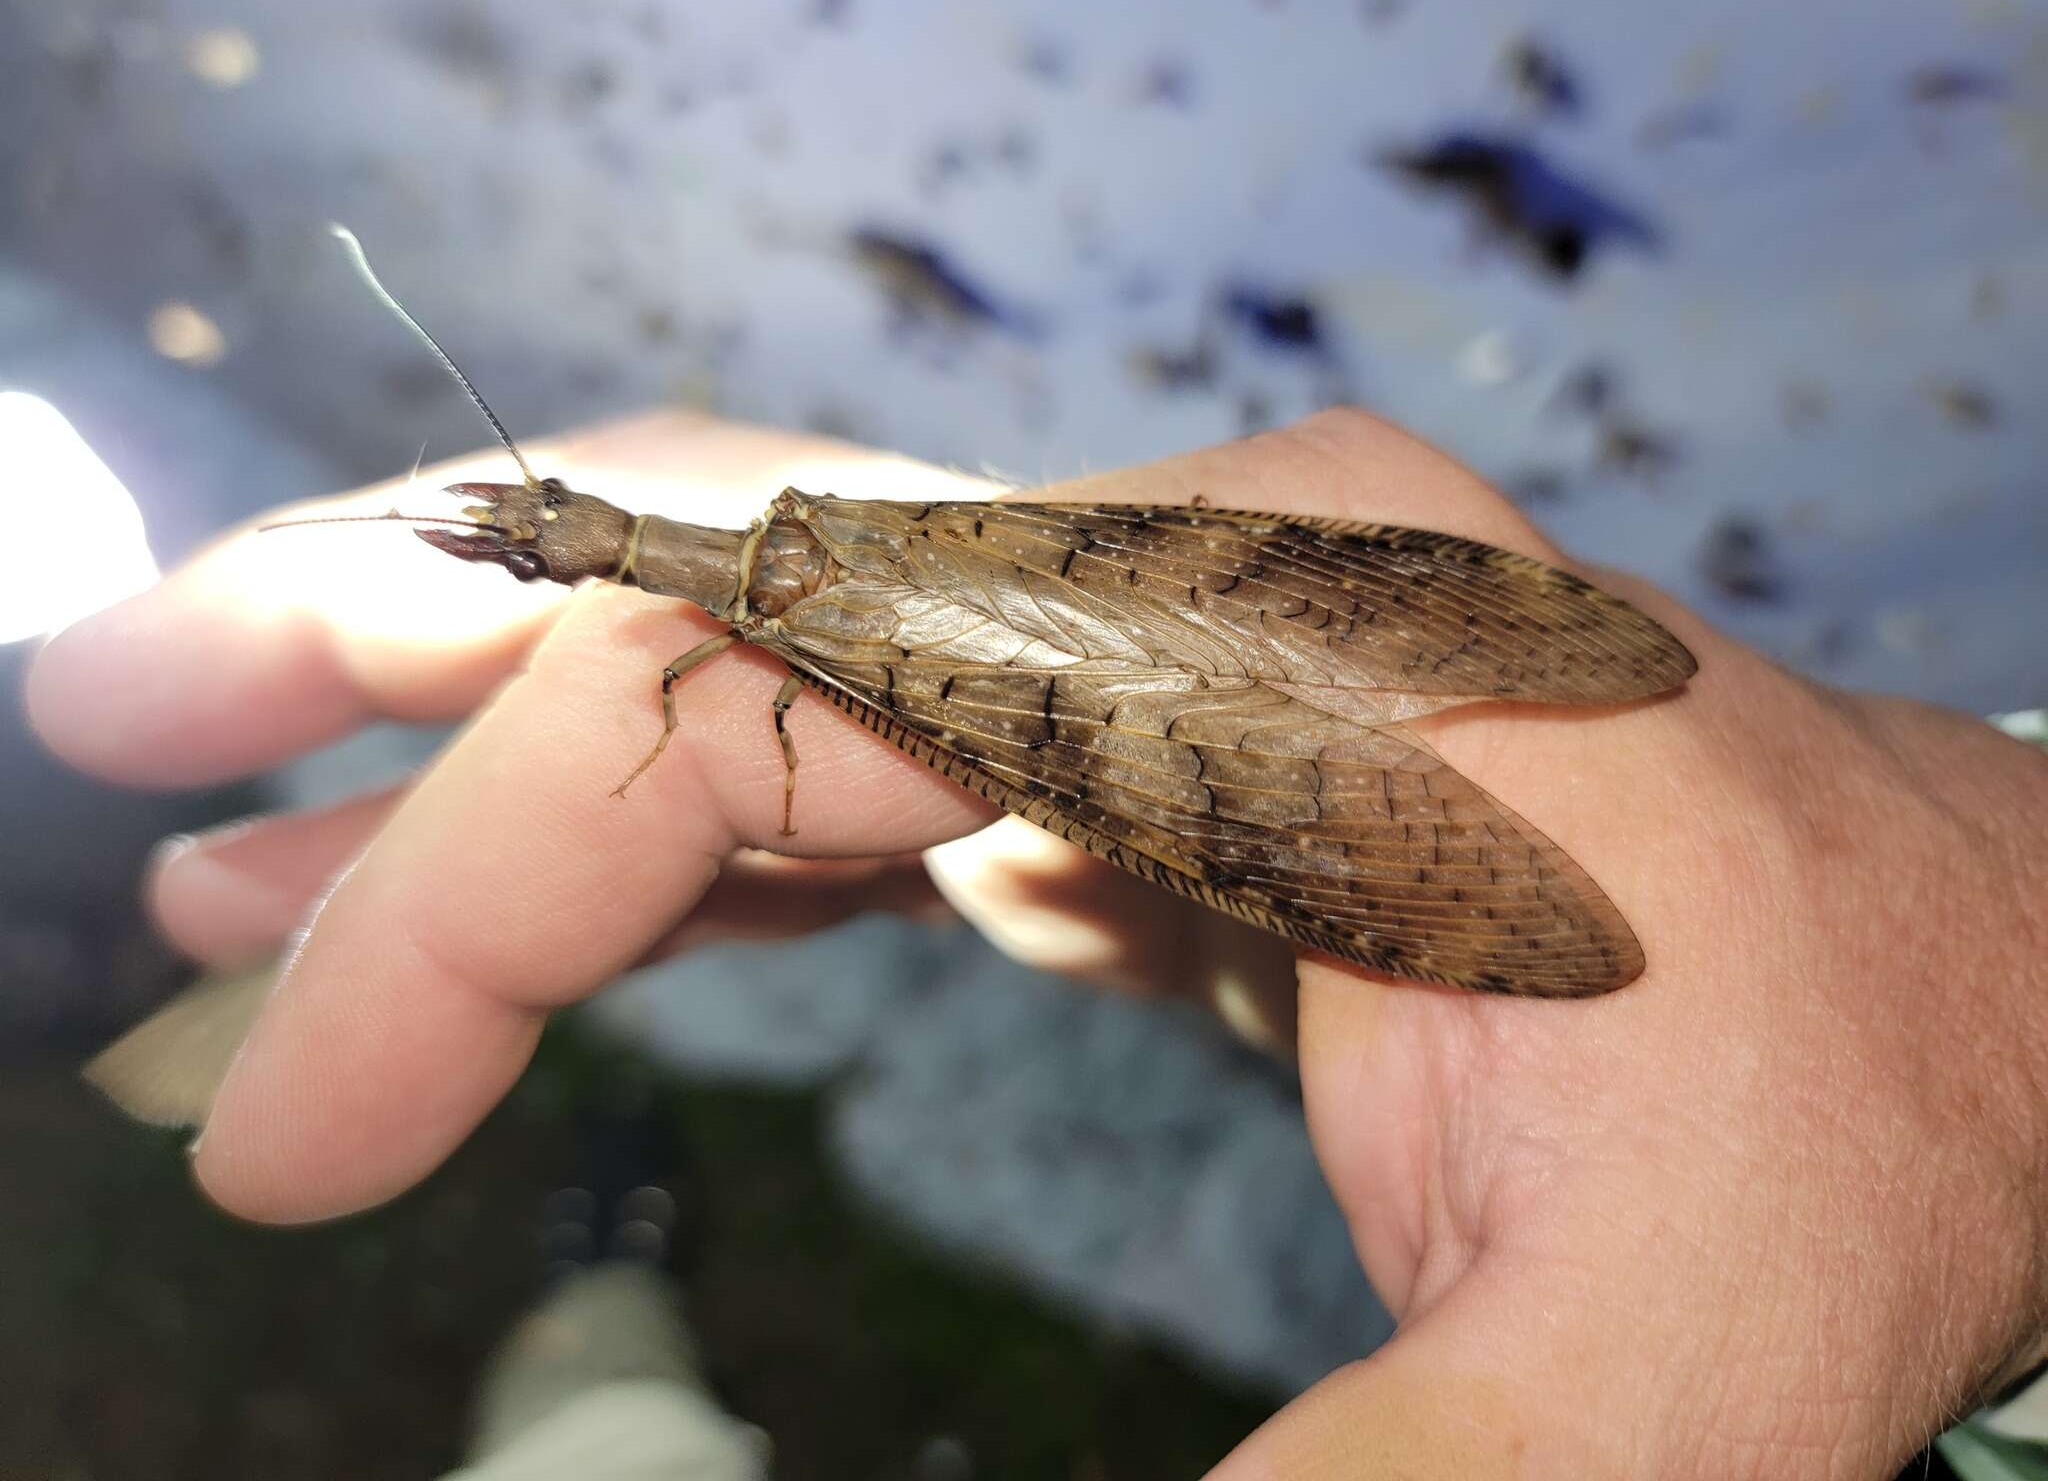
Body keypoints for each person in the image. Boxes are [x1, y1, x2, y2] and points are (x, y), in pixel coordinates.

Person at [27, 407, 2048, 1478]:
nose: (558, 550)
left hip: (1011, 661)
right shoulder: (798, 581)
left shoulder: (758, 617)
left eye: (553, 536)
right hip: (998, 631)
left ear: (582, 554)